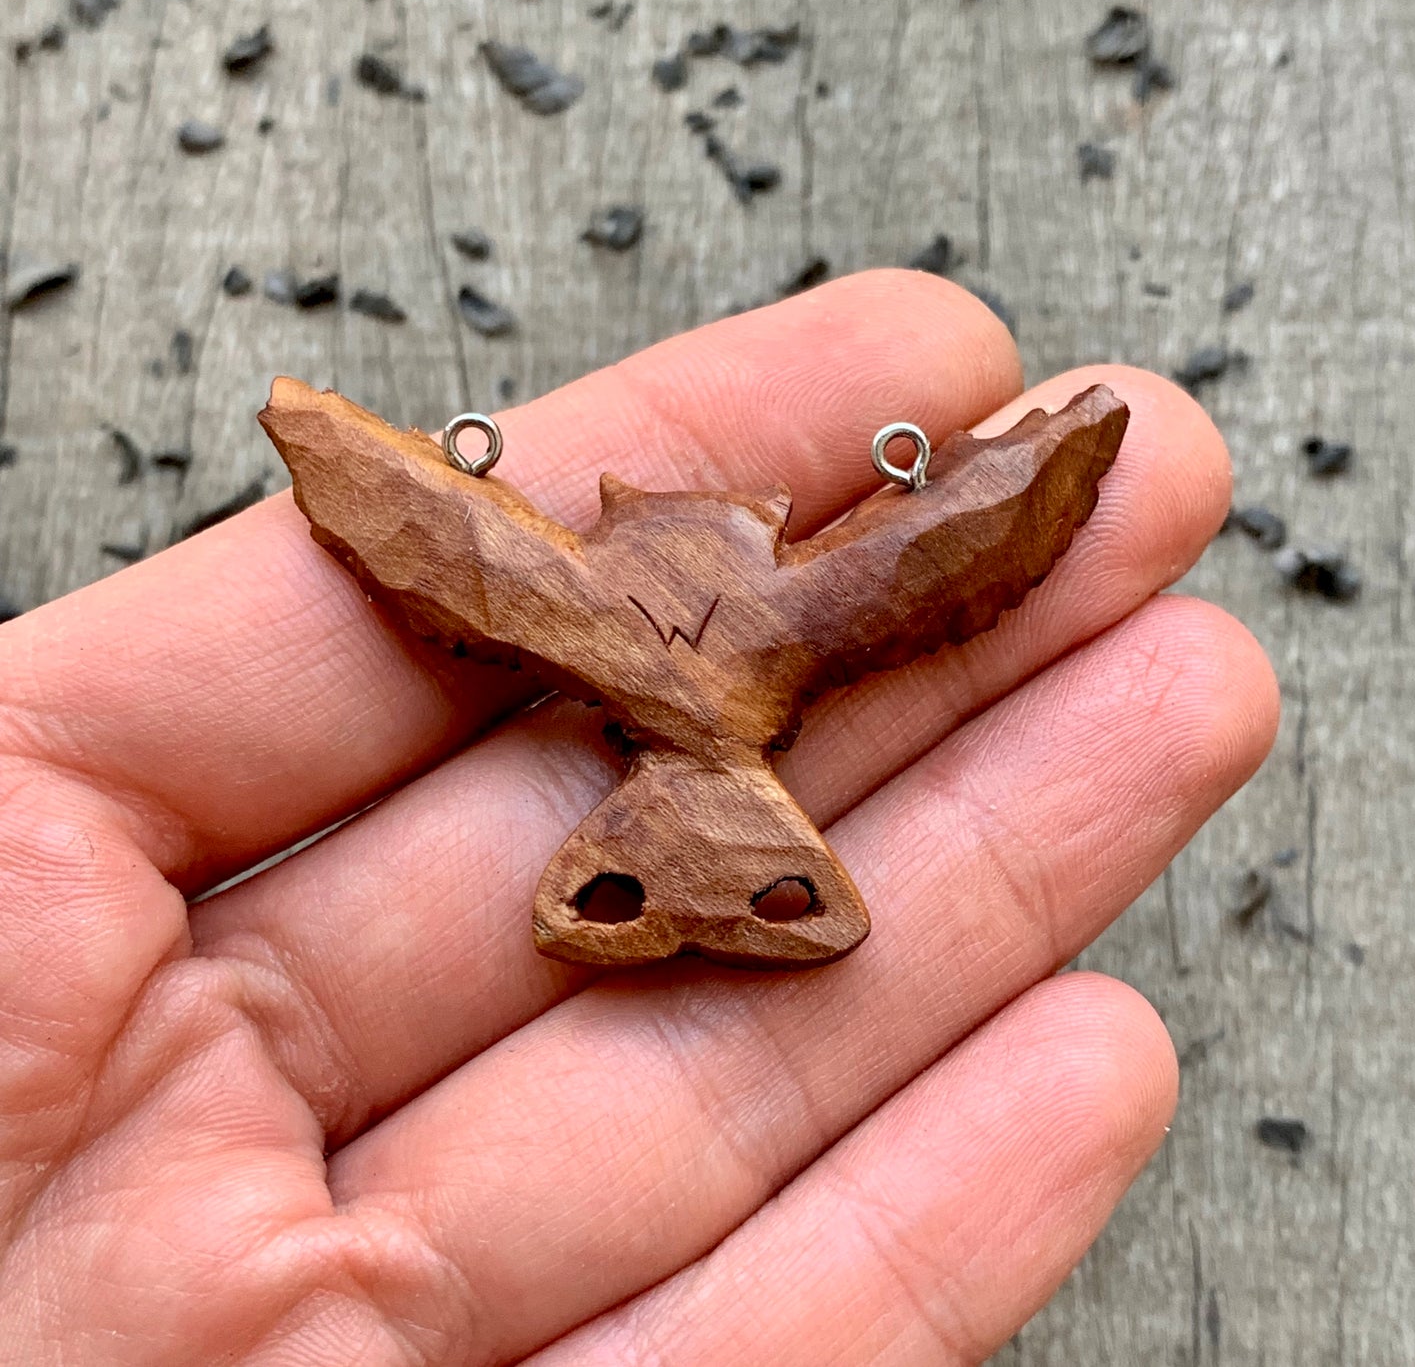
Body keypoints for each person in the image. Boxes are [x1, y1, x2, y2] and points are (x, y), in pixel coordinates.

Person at [0, 270, 1277, 1365]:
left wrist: (387, 475)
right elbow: (960, 531)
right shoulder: (785, 610)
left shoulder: (594, 607)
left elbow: (967, 527)